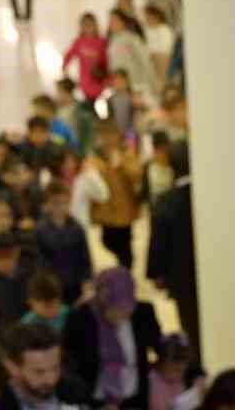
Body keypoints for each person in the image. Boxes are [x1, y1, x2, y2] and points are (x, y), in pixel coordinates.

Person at [63, 268, 161, 410]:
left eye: (127, 309)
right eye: (115, 309)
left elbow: (162, 348)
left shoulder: (143, 313)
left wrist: (195, 373)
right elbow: (69, 361)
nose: (122, 315)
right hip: (94, 402)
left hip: (134, 401)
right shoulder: (80, 318)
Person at [146, 142, 199, 352]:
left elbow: (159, 241)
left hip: (181, 277)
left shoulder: (167, 201)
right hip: (217, 272)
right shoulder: (213, 195)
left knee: (190, 324)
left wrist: (156, 273)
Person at [90, 124, 141, 266]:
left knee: (125, 247)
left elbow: (137, 175)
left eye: (111, 134)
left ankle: (125, 277)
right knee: (107, 240)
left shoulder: (127, 154)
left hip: (124, 211)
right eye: (104, 134)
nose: (108, 138)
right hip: (106, 212)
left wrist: (122, 164)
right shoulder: (97, 156)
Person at [34, 185, 92, 304]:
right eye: (55, 203)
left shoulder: (77, 228)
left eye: (64, 203)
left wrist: (87, 280)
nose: (60, 207)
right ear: (47, 204)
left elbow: (85, 256)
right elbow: (40, 259)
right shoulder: (40, 230)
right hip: (52, 284)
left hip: (75, 282)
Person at [0, 230, 35, 342]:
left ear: (16, 252)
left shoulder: (30, 273)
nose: (4, 263)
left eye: (8, 256)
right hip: (6, 335)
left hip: (31, 329)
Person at [107, 10, 159, 108]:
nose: (112, 24)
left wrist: (151, 84)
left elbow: (146, 62)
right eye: (110, 21)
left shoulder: (133, 39)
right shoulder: (112, 42)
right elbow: (112, 67)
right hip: (121, 89)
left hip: (138, 86)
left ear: (123, 22)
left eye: (115, 20)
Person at [62, 12, 109, 103]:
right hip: (85, 82)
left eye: (90, 24)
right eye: (85, 24)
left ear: (95, 25)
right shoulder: (79, 42)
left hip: (99, 80)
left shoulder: (102, 42)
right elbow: (69, 54)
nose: (88, 27)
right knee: (88, 104)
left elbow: (107, 61)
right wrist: (65, 65)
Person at [149, 333, 198, 410]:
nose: (180, 369)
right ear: (162, 361)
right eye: (174, 367)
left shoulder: (186, 379)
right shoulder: (152, 381)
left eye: (180, 370)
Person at [15, 117, 63, 184]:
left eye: (42, 132)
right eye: (35, 132)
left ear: (48, 133)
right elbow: (20, 164)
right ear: (29, 133)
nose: (38, 136)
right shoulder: (23, 147)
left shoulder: (56, 150)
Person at [21, 270, 70, 334]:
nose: (53, 310)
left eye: (56, 304)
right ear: (31, 303)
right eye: (47, 307)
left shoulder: (68, 315)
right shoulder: (27, 325)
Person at [51, 81, 94, 153]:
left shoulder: (83, 109)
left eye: (58, 91)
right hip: (67, 149)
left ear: (65, 91)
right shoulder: (58, 111)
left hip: (80, 148)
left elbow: (88, 133)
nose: (56, 94)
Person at [143, 4, 175, 85]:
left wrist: (154, 54)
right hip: (151, 64)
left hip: (163, 62)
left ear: (156, 16)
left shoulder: (165, 30)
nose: (147, 19)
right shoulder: (147, 31)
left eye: (148, 17)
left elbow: (166, 49)